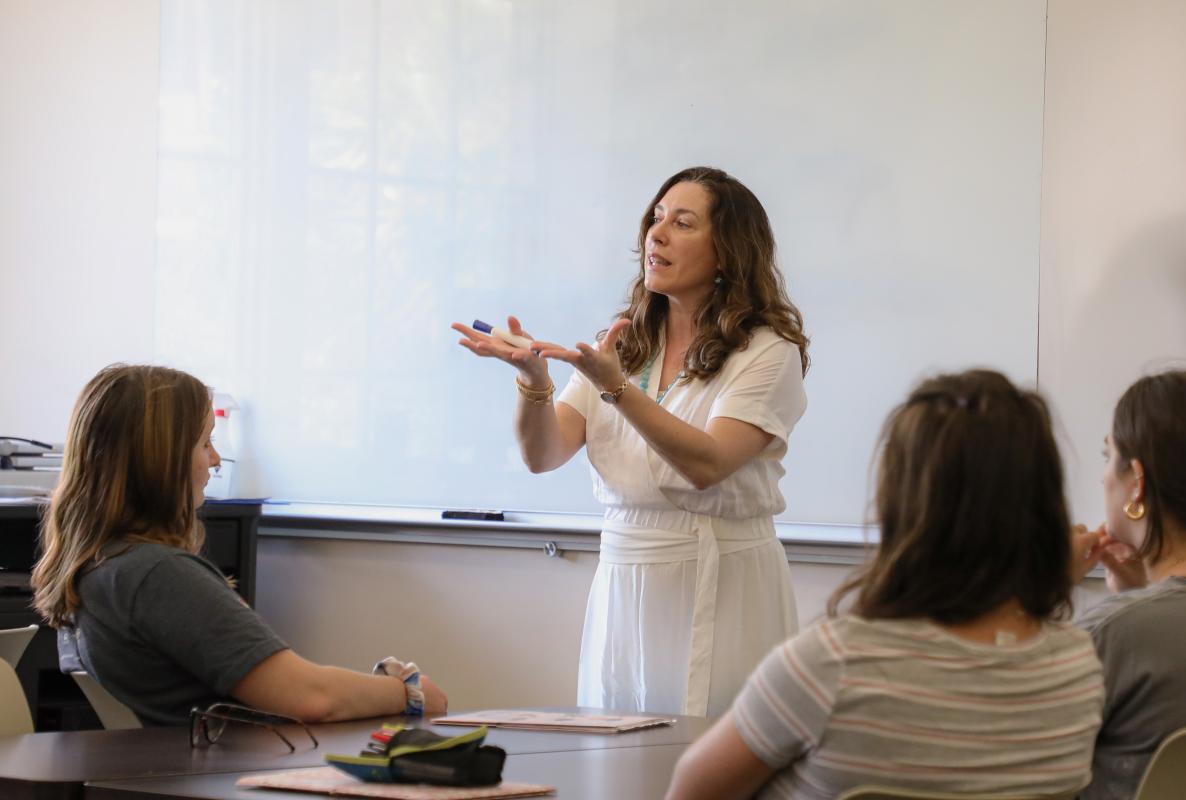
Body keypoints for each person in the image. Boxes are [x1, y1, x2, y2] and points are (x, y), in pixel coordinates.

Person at [453, 166, 810, 717]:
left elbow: (707, 463)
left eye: (683, 223)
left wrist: (613, 385)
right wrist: (533, 378)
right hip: (626, 578)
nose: (657, 234)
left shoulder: (767, 351)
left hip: (723, 577)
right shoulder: (623, 342)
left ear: (728, 252)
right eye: (655, 218)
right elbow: (543, 454)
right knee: (617, 754)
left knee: (712, 759)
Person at [665, 370, 1105, 800]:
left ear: (905, 503)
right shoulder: (1076, 667)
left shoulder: (833, 665)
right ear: (1045, 504)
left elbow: (689, 792)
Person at [31, 364, 448, 726]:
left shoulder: (102, 566)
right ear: (161, 460)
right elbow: (309, 697)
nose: (215, 460)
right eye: (204, 443)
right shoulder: (157, 574)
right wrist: (409, 693)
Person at [1071, 370, 1186, 800]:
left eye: (1108, 457)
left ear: (1137, 483)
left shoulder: (1110, 635)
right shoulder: (1128, 624)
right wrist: (1141, 588)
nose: (1103, 477)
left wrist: (1039, 594)